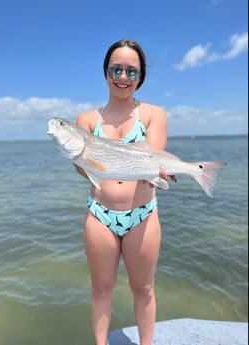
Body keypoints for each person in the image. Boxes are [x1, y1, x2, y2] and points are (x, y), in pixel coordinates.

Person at [75, 39, 171, 345]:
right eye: (116, 69)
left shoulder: (154, 114)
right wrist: (77, 158)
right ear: (105, 72)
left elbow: (153, 155)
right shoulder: (86, 120)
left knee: (144, 289)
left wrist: (154, 174)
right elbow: (84, 170)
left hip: (142, 215)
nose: (123, 77)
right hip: (100, 214)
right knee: (101, 289)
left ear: (140, 77)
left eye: (132, 71)